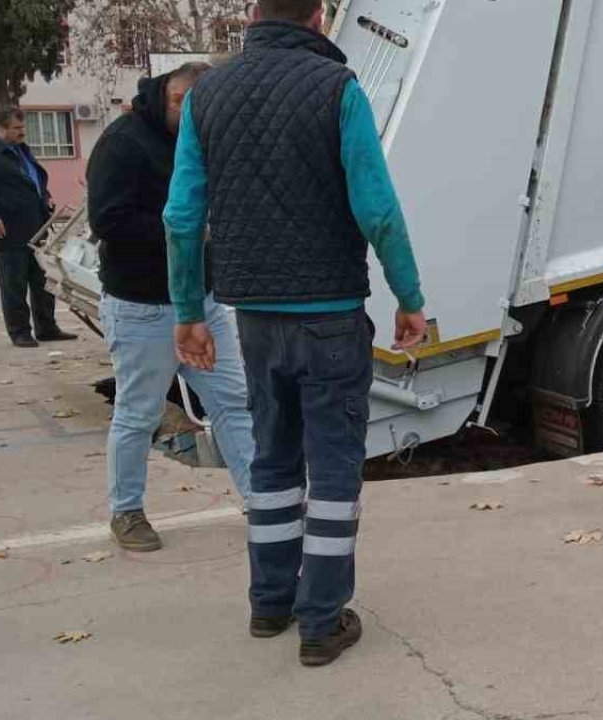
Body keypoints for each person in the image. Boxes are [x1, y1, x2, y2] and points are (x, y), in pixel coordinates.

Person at [165, 0, 427, 667]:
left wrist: (188, 310)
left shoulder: (206, 94)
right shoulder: (337, 88)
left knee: (274, 461)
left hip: (253, 315)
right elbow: (378, 210)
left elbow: (181, 215)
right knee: (334, 468)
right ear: (319, 17)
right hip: (332, 314)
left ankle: (270, 602)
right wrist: (410, 298)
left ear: (254, 14)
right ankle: (322, 620)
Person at [86, 64, 254, 552]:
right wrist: (184, 233)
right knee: (139, 414)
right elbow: (108, 221)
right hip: (142, 308)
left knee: (234, 403)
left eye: (199, 102)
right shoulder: (123, 144)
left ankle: (261, 500)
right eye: (182, 100)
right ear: (163, 94)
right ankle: (127, 512)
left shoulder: (207, 142)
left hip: (201, 305)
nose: (190, 110)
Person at [0, 107, 77, 348]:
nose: (22, 132)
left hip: (37, 225)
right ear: (0, 128)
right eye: (16, 128)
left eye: (22, 127)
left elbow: (33, 180)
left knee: (42, 280)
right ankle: (19, 331)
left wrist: (45, 195)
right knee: (13, 283)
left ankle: (46, 327)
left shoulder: (22, 150)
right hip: (7, 229)